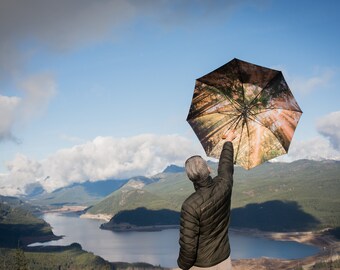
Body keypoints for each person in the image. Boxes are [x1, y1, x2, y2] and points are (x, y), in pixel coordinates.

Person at [177, 137, 234, 270]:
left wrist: (182, 266)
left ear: (190, 177)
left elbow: (188, 246)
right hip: (225, 259)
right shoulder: (224, 185)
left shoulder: (190, 206)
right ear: (208, 169)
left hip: (201, 265)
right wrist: (228, 141)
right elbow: (226, 166)